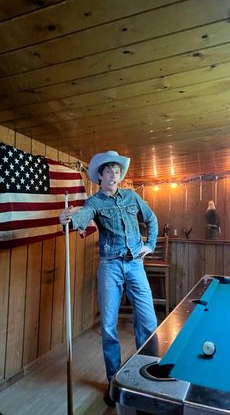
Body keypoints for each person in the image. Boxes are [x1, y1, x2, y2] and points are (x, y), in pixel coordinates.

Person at [59, 150, 158, 406]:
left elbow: (151, 218)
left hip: (135, 264)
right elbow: (80, 218)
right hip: (109, 267)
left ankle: (148, 377)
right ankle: (114, 383)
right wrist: (68, 220)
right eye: (108, 171)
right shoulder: (94, 202)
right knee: (108, 327)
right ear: (100, 176)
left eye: (116, 171)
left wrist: (152, 243)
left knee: (147, 322)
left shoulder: (132, 196)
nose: (113, 175)